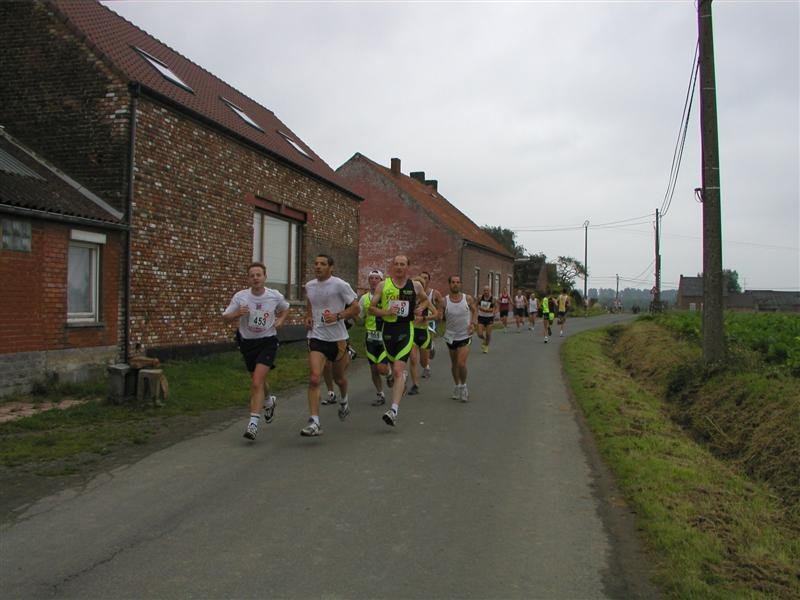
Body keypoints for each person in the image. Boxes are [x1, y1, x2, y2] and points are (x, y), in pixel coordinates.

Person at [222, 261, 289, 441]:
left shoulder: (274, 295)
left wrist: (281, 320)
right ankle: (268, 401)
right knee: (257, 380)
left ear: (265, 277)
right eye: (252, 275)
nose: (255, 278)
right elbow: (225, 318)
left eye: (259, 275)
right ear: (248, 279)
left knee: (257, 381)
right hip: (247, 343)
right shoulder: (241, 297)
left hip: (268, 341)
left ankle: (252, 424)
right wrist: (238, 314)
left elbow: (285, 308)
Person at [369, 255, 434, 427]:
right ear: (393, 266)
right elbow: (371, 309)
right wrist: (386, 312)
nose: (399, 267)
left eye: (402, 264)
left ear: (407, 267)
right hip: (388, 331)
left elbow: (426, 300)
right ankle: (400, 383)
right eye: (396, 264)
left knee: (398, 370)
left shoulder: (415, 285)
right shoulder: (383, 285)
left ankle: (393, 410)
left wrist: (421, 307)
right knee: (394, 370)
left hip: (406, 329)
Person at [301, 254, 360, 437]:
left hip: (338, 338)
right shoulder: (310, 286)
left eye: (323, 264)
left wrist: (337, 316)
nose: (318, 267)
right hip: (316, 336)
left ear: (331, 267)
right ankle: (314, 422)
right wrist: (308, 316)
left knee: (339, 378)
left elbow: (356, 308)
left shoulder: (340, 285)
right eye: (316, 263)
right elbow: (311, 302)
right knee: (314, 378)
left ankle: (344, 399)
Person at [358, 269, 392, 406]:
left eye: (376, 278)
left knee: (381, 368)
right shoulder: (364, 298)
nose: (373, 281)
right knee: (373, 369)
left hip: (385, 336)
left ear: (381, 281)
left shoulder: (387, 297)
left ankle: (389, 373)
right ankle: (380, 394)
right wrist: (351, 317)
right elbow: (360, 319)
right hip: (370, 337)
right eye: (371, 278)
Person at [441, 275, 477, 402]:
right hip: (450, 336)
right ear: (449, 284)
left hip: (465, 335)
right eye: (453, 282)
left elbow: (475, 311)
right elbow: (441, 317)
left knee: (461, 363)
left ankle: (464, 386)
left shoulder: (467, 299)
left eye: (457, 282)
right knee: (454, 364)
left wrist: (473, 324)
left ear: (460, 284)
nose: (455, 284)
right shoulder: (444, 301)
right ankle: (456, 385)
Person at [418, 271, 443, 378]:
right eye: (421, 278)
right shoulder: (415, 292)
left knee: (425, 346)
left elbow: (440, 304)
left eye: (425, 278)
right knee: (420, 348)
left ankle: (426, 368)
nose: (423, 280)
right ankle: (430, 347)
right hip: (417, 322)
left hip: (430, 322)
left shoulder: (434, 293)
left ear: (428, 280)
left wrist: (440, 314)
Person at [476, 285, 496, 353]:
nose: (486, 292)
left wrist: (487, 310)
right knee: (479, 334)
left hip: (489, 318)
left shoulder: (493, 299)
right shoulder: (480, 297)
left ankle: (486, 346)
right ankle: (484, 339)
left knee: (488, 334)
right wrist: (476, 312)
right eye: (484, 290)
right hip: (481, 317)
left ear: (490, 291)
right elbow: (476, 305)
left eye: (487, 290)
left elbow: (494, 308)